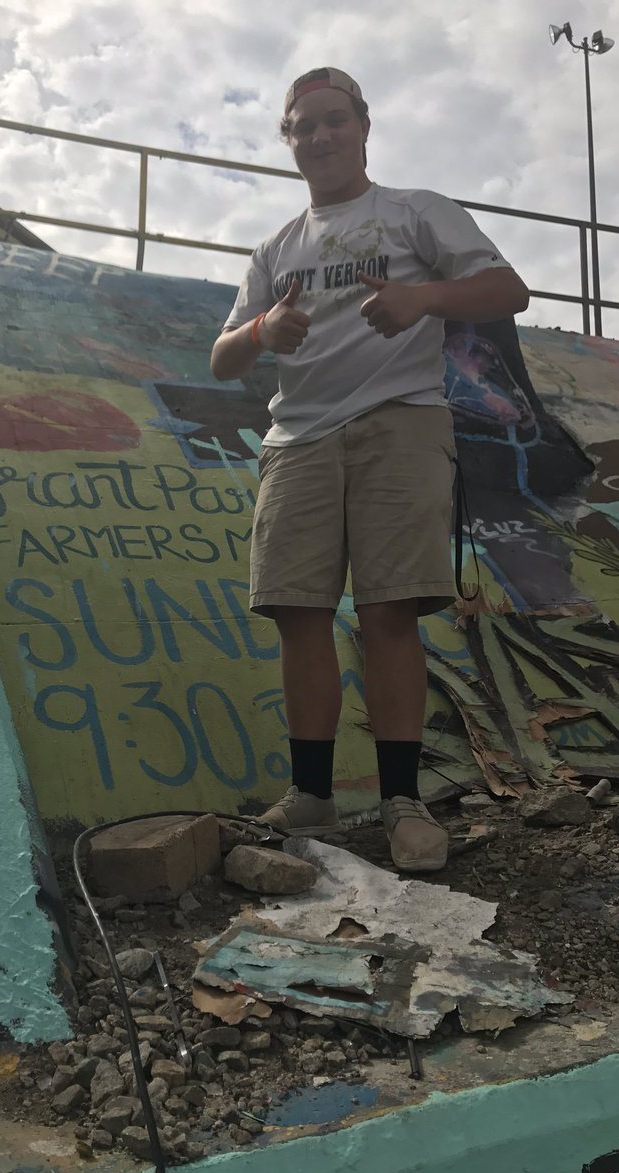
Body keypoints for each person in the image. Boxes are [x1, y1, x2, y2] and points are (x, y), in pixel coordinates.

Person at [210, 67, 529, 872]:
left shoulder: (415, 210)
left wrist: (422, 301)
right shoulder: (275, 248)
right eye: (302, 125)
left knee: (389, 612)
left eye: (333, 120)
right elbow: (220, 358)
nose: (319, 136)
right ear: (288, 140)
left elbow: (509, 290)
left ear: (363, 126)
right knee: (297, 612)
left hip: (401, 424)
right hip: (297, 444)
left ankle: (401, 802)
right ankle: (311, 792)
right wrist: (260, 333)